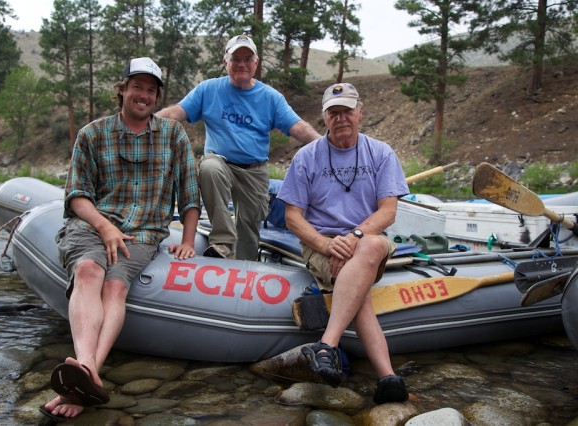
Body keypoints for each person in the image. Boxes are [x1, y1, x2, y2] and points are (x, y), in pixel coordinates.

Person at [40, 57, 201, 421]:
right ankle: (87, 370)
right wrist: (105, 226)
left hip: (143, 232)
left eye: (150, 89)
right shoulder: (92, 134)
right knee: (87, 271)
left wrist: (188, 239)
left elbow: (189, 194)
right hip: (91, 226)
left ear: (156, 96)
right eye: (137, 87)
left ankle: (83, 376)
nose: (143, 95)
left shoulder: (173, 135)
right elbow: (77, 195)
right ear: (122, 90)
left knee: (115, 288)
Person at [277, 82, 410, 404]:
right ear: (324, 118)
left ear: (359, 113)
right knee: (359, 291)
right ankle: (387, 377)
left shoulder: (380, 152)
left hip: (366, 237)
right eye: (333, 113)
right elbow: (293, 217)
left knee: (373, 246)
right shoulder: (306, 157)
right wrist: (325, 246)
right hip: (322, 242)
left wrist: (354, 237)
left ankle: (327, 345)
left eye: (346, 111)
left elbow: (388, 211)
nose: (341, 119)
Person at [155, 34, 320, 261]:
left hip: (254, 170)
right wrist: (146, 122)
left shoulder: (271, 97)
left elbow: (298, 127)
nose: (241, 63)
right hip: (220, 163)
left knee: (248, 231)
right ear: (226, 63)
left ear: (256, 63)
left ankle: (245, 270)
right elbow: (176, 113)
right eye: (235, 59)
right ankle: (222, 242)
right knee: (209, 167)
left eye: (247, 58)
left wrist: (326, 145)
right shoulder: (208, 90)